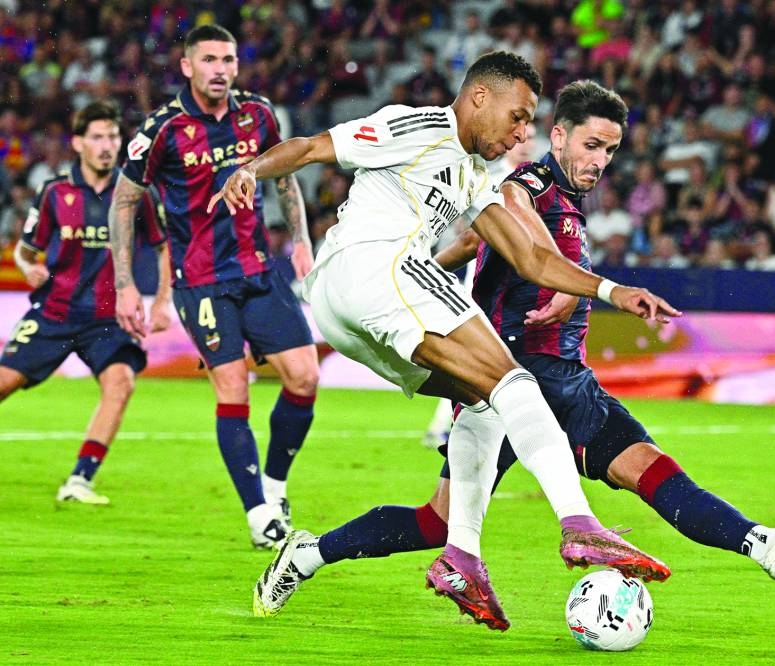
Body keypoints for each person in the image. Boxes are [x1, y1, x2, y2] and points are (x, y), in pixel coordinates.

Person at [247, 80, 775, 627]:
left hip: (549, 383)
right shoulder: (525, 187)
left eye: (610, 151)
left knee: (611, 476)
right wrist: (563, 282)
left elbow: (473, 247)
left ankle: (764, 546)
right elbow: (524, 240)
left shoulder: (543, 198)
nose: (600, 161)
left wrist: (436, 268)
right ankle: (597, 531)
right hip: (517, 372)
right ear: (558, 136)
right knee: (610, 474)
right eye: (591, 145)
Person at [209, 53, 678, 630]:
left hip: (345, 308)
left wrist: (610, 290)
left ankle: (458, 555)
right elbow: (309, 148)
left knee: (484, 401)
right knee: (515, 381)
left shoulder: (475, 176)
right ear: (480, 97)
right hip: (374, 267)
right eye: (518, 116)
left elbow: (531, 257)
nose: (521, 134)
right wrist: (251, 169)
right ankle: (580, 524)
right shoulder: (421, 126)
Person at [109, 25, 320, 550]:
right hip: (201, 281)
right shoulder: (162, 129)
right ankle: (259, 515)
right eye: (208, 60)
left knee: (305, 378)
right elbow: (123, 202)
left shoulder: (259, 114)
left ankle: (274, 486)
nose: (220, 69)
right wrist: (125, 285)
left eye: (227, 59)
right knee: (233, 388)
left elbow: (285, 176)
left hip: (259, 270)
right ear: (187, 66)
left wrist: (300, 238)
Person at [0, 100, 170, 504]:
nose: (107, 145)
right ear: (78, 143)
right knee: (4, 383)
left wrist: (162, 302)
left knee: (120, 383)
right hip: (55, 312)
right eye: (97, 137)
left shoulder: (136, 193)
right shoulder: (54, 192)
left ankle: (80, 479)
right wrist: (27, 267)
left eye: (112, 136)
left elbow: (165, 247)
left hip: (107, 320)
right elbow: (26, 249)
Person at [421, 120, 540, 449]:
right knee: (474, 355)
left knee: (499, 357)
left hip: (515, 281)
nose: (526, 144)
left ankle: (466, 425)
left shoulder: (534, 182)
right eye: (522, 138)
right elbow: (469, 233)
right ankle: (448, 424)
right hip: (483, 278)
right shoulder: (493, 177)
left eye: (532, 139)